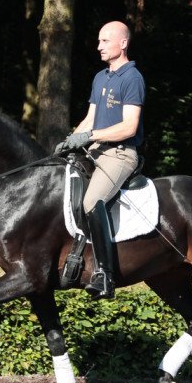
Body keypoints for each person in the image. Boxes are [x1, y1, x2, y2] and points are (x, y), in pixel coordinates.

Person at [56, 21, 145, 300]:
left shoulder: (133, 78)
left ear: (123, 43)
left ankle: (105, 275)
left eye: (105, 41)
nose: (99, 47)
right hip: (94, 152)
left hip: (119, 154)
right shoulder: (100, 77)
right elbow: (90, 119)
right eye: (98, 41)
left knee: (91, 202)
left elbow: (129, 127)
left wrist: (91, 135)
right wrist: (72, 139)